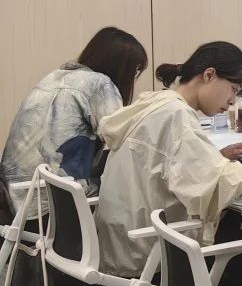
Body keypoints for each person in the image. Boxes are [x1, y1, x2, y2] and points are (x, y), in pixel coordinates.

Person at [94, 42, 242, 277]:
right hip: (145, 254)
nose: (232, 100)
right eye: (233, 89)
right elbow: (220, 180)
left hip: (118, 238)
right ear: (209, 75)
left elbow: (164, 161)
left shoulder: (159, 102)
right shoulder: (176, 115)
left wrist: (216, 156)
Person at [1, 27, 149, 203]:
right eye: (135, 71)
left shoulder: (52, 79)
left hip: (16, 200)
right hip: (52, 203)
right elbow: (125, 141)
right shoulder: (100, 84)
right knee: (139, 183)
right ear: (122, 67)